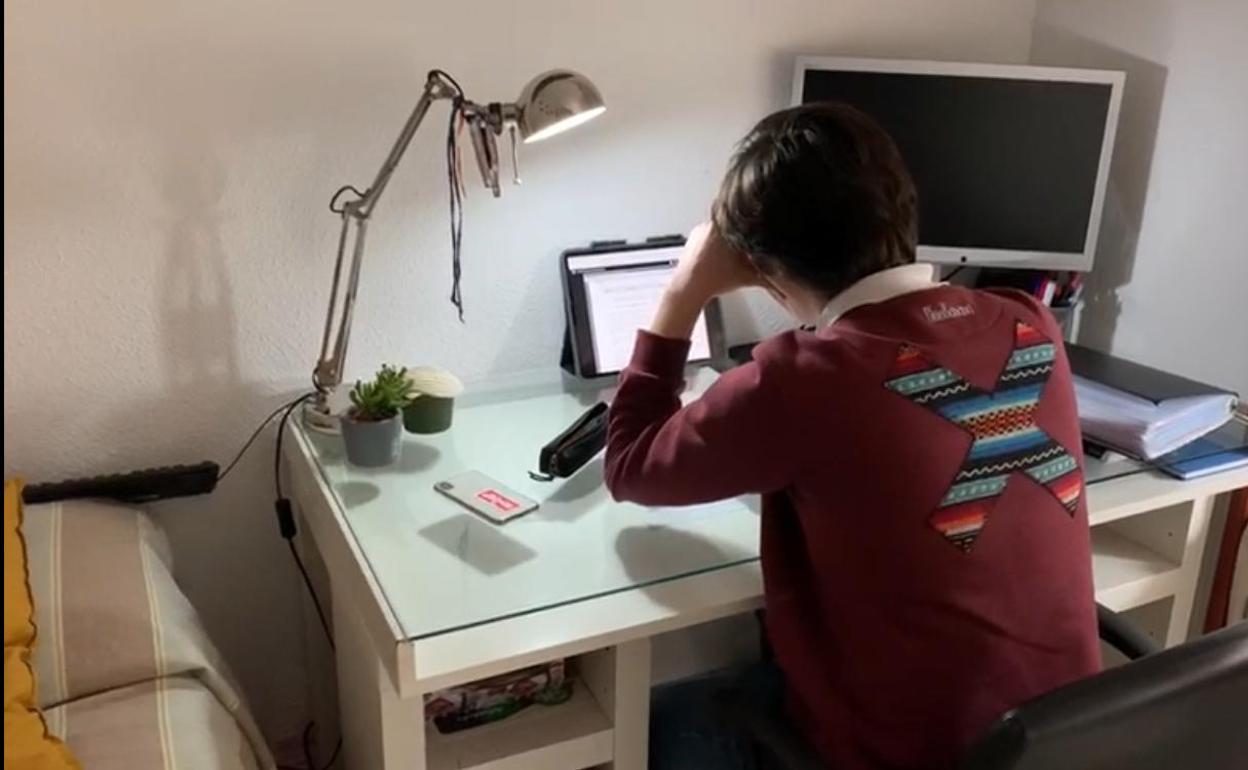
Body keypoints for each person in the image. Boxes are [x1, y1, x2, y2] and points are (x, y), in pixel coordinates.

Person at [604, 103, 1099, 770]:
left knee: (663, 717)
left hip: (910, 756)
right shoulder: (1029, 321)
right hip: (1065, 741)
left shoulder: (804, 379)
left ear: (765, 272)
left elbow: (630, 464)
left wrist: (683, 293)